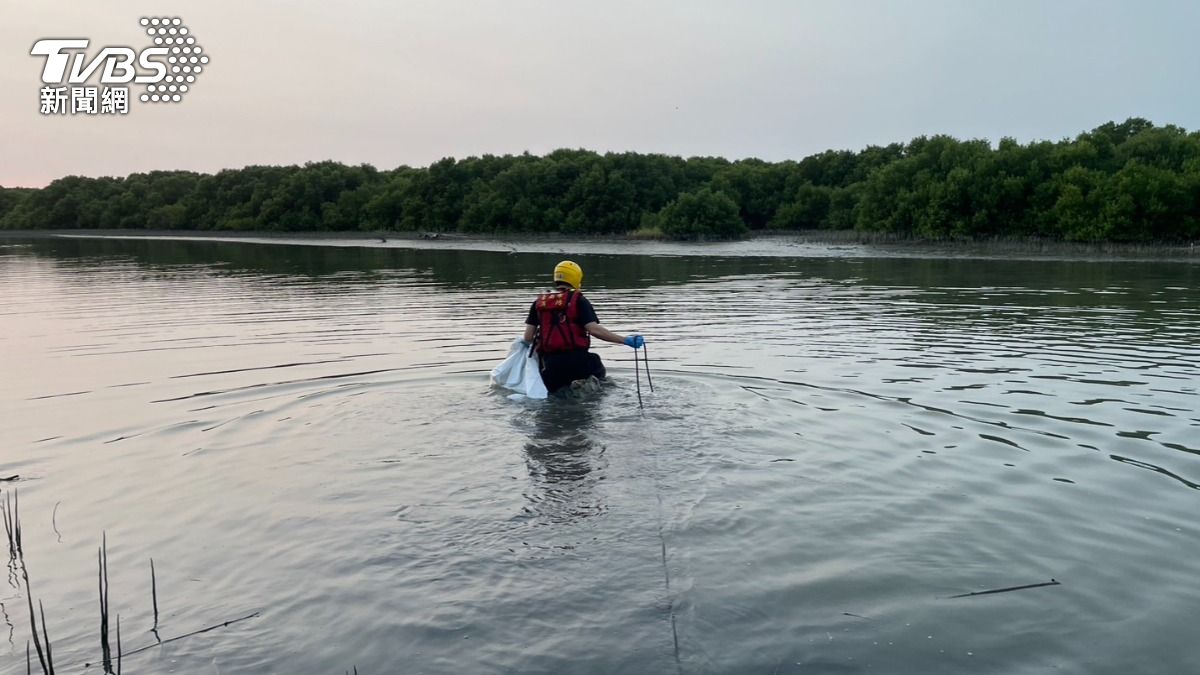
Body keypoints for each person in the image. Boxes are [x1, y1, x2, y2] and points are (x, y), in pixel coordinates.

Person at [522, 260, 645, 394]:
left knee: (556, 396)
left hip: (550, 364)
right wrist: (625, 340)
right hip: (579, 361)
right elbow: (594, 329)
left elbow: (528, 337)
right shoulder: (579, 300)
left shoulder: (539, 303)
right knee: (599, 377)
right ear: (576, 278)